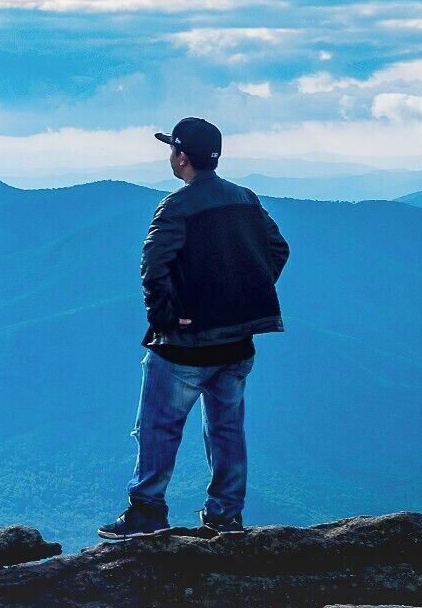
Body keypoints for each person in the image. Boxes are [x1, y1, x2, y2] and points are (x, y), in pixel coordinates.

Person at [99, 117, 288, 537]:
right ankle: (225, 516)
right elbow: (277, 248)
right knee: (226, 429)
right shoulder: (246, 199)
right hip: (238, 342)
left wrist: (166, 316)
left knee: (158, 428)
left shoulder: (176, 206)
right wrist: (241, 297)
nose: (170, 156)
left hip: (185, 344)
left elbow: (153, 265)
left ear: (182, 156)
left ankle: (146, 512)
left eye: (171, 149)